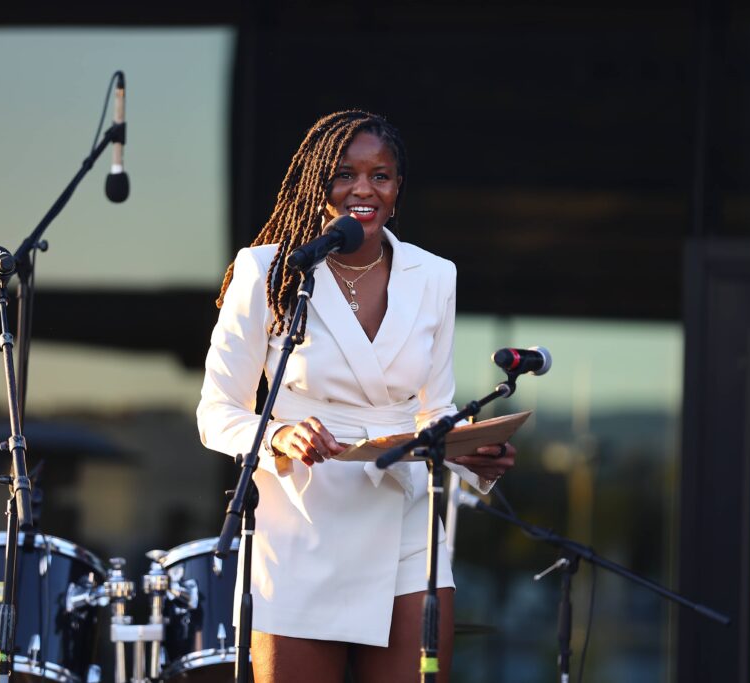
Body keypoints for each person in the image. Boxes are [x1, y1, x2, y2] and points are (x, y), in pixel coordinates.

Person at [197, 110, 516, 683]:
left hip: (406, 522)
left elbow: (434, 407)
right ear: (318, 182)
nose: (363, 189)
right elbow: (216, 412)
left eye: (381, 176)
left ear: (398, 190)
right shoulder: (268, 271)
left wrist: (471, 455)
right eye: (345, 174)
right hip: (300, 523)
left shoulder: (435, 275)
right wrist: (278, 436)